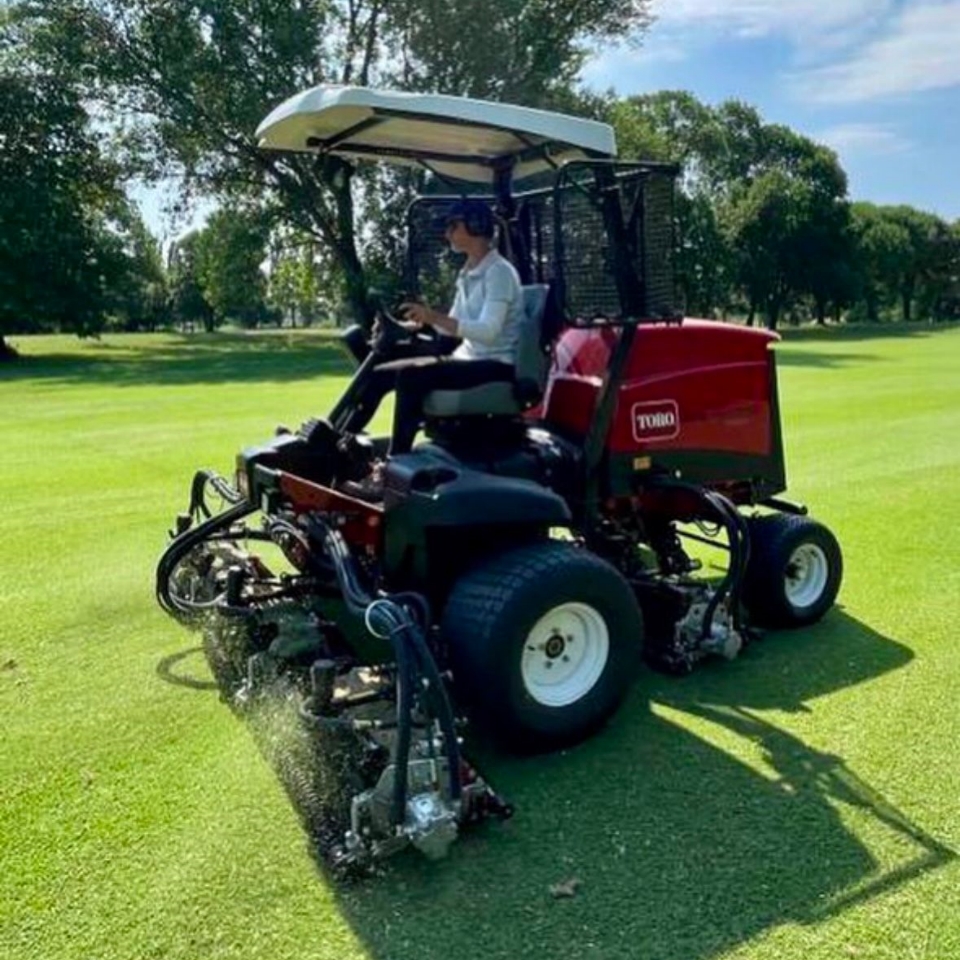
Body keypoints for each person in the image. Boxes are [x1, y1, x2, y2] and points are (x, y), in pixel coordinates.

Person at [348, 198, 524, 455]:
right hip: (469, 359)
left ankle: (395, 459)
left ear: (475, 226)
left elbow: (488, 331)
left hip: (496, 364)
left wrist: (432, 317)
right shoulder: (468, 272)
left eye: (453, 226)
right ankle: (338, 440)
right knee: (380, 371)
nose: (447, 233)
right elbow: (447, 328)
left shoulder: (499, 273)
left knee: (411, 375)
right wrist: (406, 327)